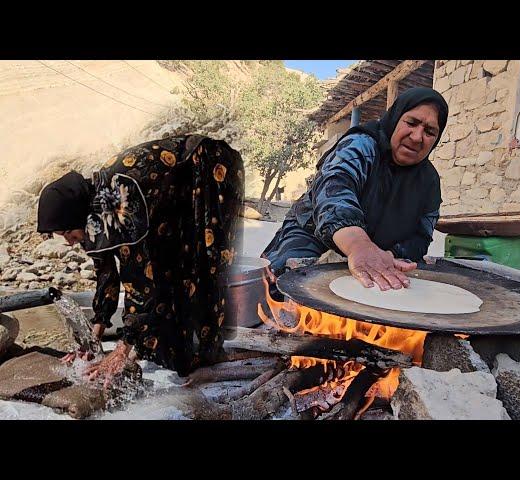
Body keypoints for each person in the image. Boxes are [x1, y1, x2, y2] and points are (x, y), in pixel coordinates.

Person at [37, 134, 244, 385]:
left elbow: (141, 282)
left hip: (206, 168)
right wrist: (93, 339)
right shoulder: (92, 214)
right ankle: (178, 354)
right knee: (165, 270)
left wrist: (121, 351)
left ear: (74, 218)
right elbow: (106, 274)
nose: (69, 241)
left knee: (198, 263)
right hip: (172, 193)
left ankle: (208, 355)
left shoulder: (120, 203)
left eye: (67, 233)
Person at [262, 87, 448, 292]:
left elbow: (420, 237)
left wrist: (390, 256)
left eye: (429, 131)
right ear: (395, 118)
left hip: (375, 255)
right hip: (312, 234)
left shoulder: (428, 182)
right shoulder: (361, 146)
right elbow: (334, 189)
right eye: (411, 123)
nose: (417, 137)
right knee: (286, 287)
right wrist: (359, 246)